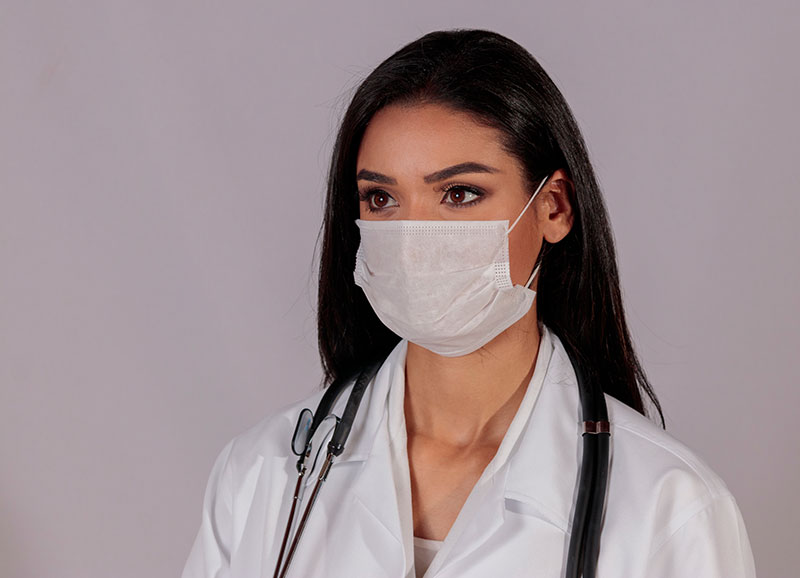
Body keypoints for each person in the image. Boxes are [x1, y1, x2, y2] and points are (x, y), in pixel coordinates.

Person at [181, 28, 757, 577]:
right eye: (381, 198)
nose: (412, 237)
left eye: (459, 194)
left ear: (553, 207)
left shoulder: (670, 507)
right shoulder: (263, 474)